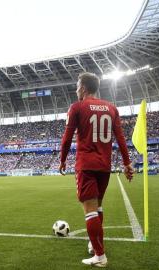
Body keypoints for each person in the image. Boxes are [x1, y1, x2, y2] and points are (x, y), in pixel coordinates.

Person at [59, 72, 134, 267]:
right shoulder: (112, 108)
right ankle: (94, 244)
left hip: (86, 165)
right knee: (98, 206)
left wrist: (62, 160)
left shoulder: (76, 107)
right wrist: (127, 163)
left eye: (77, 85)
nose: (76, 89)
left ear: (83, 87)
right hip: (104, 166)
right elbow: (121, 138)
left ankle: (100, 256)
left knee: (90, 211)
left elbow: (67, 139)